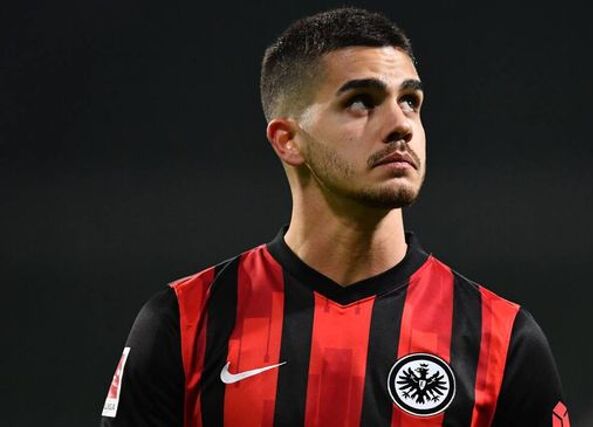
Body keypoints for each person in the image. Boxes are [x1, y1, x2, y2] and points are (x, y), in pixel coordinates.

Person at [100, 7, 569, 427]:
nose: (401, 124)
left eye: (410, 101)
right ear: (288, 140)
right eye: (361, 101)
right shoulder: (185, 322)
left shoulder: (500, 338)